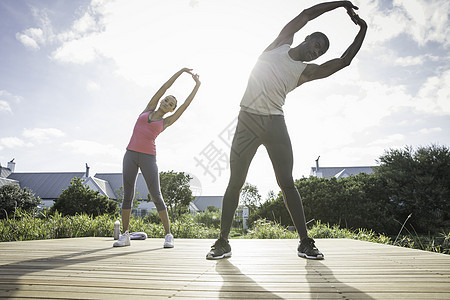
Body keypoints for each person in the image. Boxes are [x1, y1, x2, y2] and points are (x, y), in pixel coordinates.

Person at [206, 1, 367, 260]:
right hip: (247, 121)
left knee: (287, 183)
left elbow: (345, 61)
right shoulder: (279, 45)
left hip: (275, 125)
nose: (317, 52)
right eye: (316, 45)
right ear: (305, 39)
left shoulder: (306, 72)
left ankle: (305, 242)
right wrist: (341, 4)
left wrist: (363, 28)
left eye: (321, 51)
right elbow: (306, 14)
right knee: (235, 182)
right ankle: (222, 242)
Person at [114, 68, 201, 248]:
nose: (167, 103)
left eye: (170, 104)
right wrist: (182, 71)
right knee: (127, 195)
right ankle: (125, 235)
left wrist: (197, 85)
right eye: (166, 100)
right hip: (130, 154)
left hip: (148, 157)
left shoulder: (166, 121)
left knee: (156, 196)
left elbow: (185, 105)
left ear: (171, 110)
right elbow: (164, 86)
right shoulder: (148, 109)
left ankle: (168, 234)